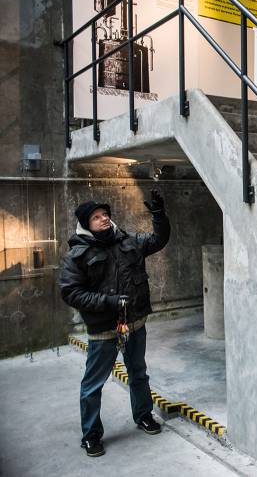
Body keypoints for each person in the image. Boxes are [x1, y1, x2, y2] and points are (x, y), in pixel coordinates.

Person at [59, 189, 170, 457]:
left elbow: (158, 239)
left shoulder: (127, 240)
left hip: (134, 323)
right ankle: (91, 435)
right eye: (96, 217)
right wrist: (107, 302)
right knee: (93, 384)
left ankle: (143, 415)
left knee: (138, 373)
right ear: (86, 224)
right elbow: (71, 292)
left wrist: (158, 214)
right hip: (104, 329)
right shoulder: (77, 255)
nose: (104, 219)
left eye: (105, 214)